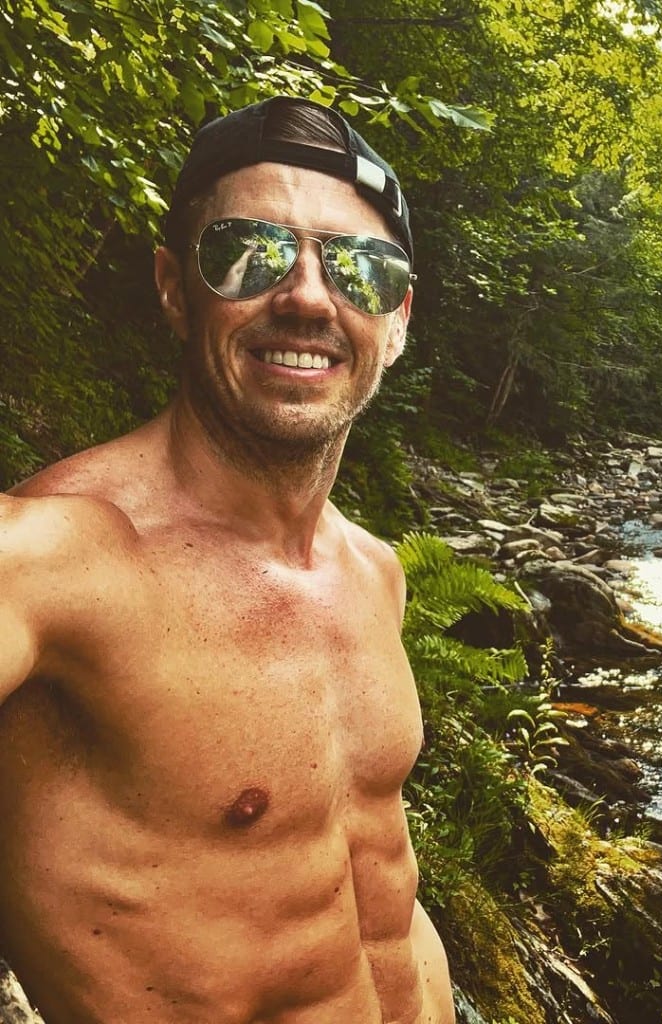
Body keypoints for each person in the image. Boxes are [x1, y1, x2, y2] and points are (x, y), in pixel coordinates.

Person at [0, 96, 456, 1024]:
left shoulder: (374, 573)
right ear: (174, 286)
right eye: (247, 252)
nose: (308, 296)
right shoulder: (59, 559)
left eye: (360, 268)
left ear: (398, 320)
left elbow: (379, 899)